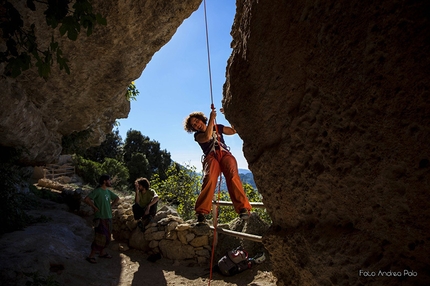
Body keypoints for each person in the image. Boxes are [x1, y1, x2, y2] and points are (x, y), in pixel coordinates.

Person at [184, 108, 252, 223]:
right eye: (194, 125)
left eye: (197, 121)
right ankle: (201, 212)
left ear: (201, 119)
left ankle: (243, 208)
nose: (197, 125)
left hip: (224, 153)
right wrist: (211, 119)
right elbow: (207, 137)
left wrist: (228, 115)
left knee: (232, 175)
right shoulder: (198, 136)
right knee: (210, 178)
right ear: (193, 129)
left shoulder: (218, 127)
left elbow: (233, 130)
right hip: (211, 156)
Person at [83, 174, 119, 264]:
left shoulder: (107, 191)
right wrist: (94, 207)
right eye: (109, 180)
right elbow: (87, 199)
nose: (110, 182)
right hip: (100, 217)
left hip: (108, 217)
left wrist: (111, 206)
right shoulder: (98, 191)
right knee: (99, 237)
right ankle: (91, 256)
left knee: (107, 237)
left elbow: (117, 198)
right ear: (104, 181)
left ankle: (102, 253)